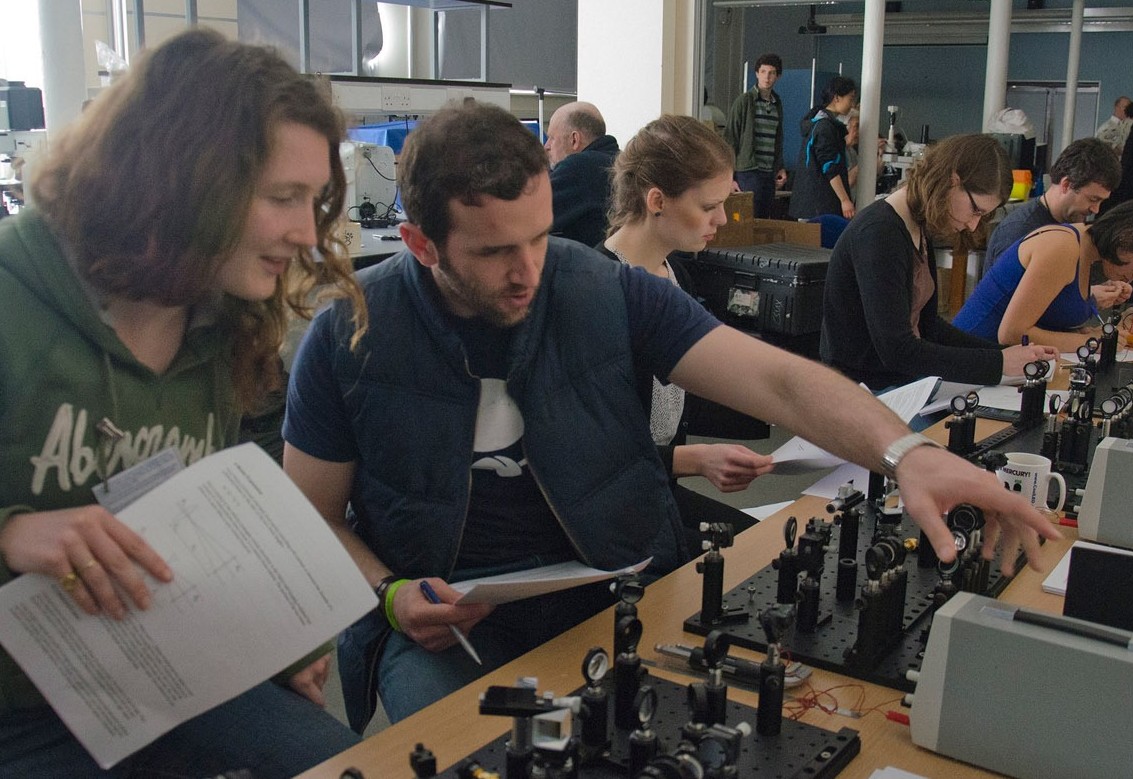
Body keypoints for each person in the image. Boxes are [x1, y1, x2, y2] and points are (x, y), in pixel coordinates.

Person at [281, 102, 1062, 731]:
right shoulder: (346, 337)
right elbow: (312, 516)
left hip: (606, 585)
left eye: (540, 237)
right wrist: (388, 593)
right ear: (419, 243)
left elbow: (778, 382)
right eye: (493, 253)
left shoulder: (601, 289)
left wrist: (904, 453)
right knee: (463, 745)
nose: (528, 273)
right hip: (442, 624)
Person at [0, 29, 365, 777]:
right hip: (21, 710)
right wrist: (12, 533)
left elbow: (239, 490)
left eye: (314, 199)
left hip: (173, 678)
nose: (306, 233)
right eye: (283, 198)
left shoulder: (228, 313)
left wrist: (281, 632)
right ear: (188, 180)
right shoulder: (14, 295)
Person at [596, 114, 774, 554]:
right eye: (709, 206)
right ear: (657, 200)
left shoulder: (677, 275)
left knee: (768, 545)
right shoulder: (598, 293)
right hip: (612, 516)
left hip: (657, 493)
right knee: (749, 560)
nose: (724, 218)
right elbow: (594, 458)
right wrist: (694, 460)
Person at [819, 133, 1057, 390]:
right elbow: (896, 350)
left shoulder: (916, 225)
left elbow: (929, 325)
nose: (973, 224)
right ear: (953, 181)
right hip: (861, 388)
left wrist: (1011, 355)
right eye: (975, 210)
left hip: (897, 381)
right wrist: (998, 362)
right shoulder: (880, 233)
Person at [954, 198, 1133, 353]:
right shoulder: (1063, 247)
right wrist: (1092, 342)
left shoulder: (1086, 252)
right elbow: (1013, 334)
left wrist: (1080, 331)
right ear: (1127, 236)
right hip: (966, 364)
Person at [981, 138, 1122, 289]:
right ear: (1067, 185)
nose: (1096, 209)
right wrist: (1088, 298)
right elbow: (1011, 304)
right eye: (1093, 199)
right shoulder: (1019, 230)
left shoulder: (1069, 227)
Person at [544, 101, 620, 247]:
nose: (546, 146)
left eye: (552, 138)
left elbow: (529, 217)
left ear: (574, 139)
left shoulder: (580, 166)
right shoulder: (617, 161)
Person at [724, 53, 788, 218]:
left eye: (772, 73)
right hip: (748, 170)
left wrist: (779, 166)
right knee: (747, 217)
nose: (767, 77)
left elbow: (777, 138)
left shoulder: (777, 104)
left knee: (764, 218)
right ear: (757, 73)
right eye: (763, 71)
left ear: (778, 76)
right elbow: (730, 139)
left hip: (769, 171)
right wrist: (729, 177)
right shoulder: (744, 101)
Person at [789, 76, 858, 221]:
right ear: (837, 98)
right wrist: (845, 200)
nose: (852, 104)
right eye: (850, 98)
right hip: (819, 204)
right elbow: (829, 166)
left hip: (812, 203)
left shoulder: (820, 124)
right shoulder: (825, 127)